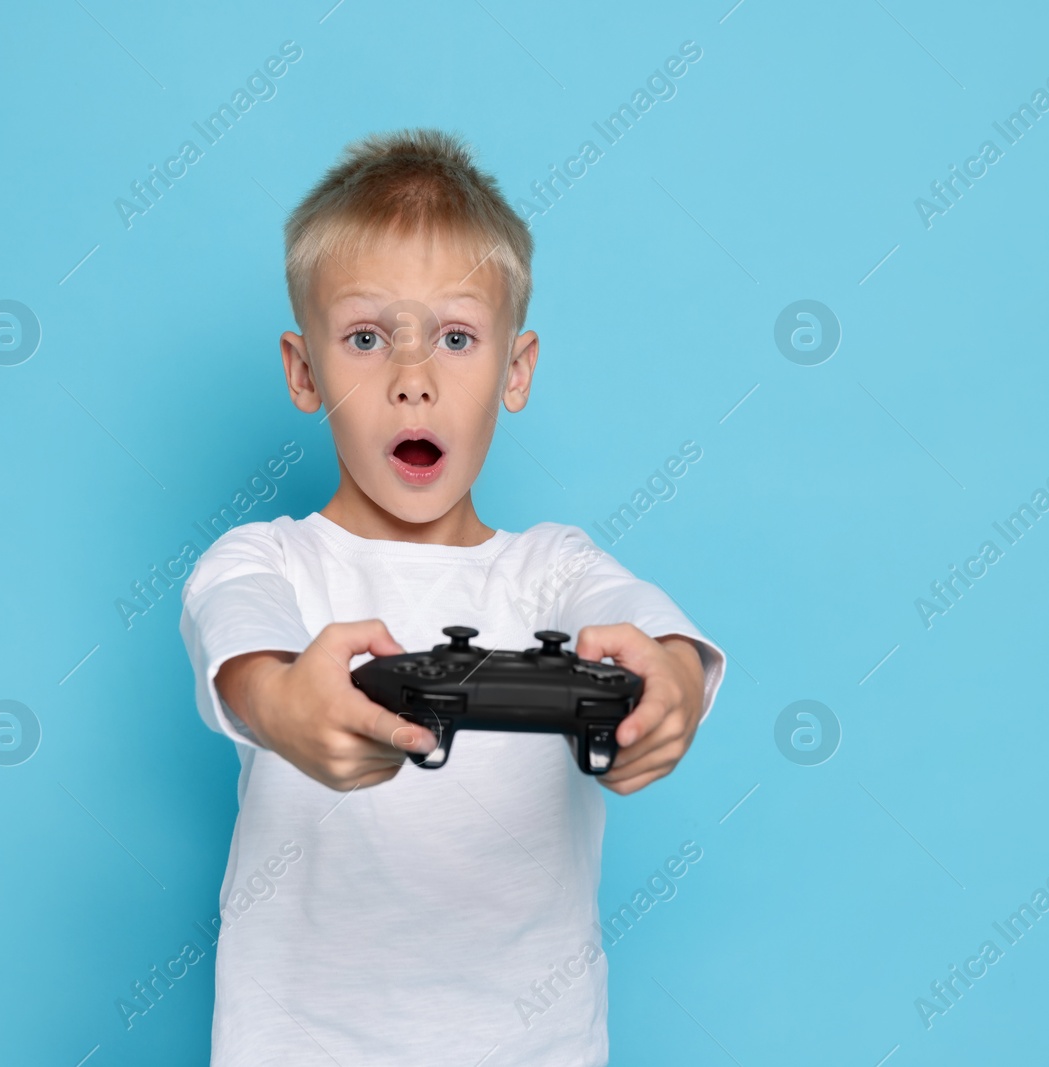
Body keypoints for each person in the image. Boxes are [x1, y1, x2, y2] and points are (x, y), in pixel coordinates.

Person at [179, 127, 726, 1065]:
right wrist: (287, 706)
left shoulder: (553, 571)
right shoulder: (264, 561)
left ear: (516, 369)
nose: (413, 380)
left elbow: (647, 621)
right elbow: (245, 662)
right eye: (364, 338)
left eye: (458, 337)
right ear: (303, 371)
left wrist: (671, 682)